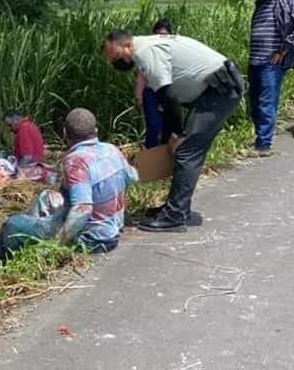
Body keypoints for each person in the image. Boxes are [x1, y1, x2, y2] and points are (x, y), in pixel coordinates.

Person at [102, 29, 244, 232]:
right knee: (185, 148)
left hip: (219, 89)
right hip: (214, 89)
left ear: (127, 45)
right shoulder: (144, 48)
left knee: (187, 151)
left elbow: (169, 98)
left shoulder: (144, 52)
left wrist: (177, 135)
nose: (116, 62)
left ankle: (175, 216)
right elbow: (165, 100)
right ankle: (177, 209)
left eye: (116, 56)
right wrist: (170, 136)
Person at [58, 108, 138, 253]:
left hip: (93, 238)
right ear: (95, 130)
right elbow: (133, 177)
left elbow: (83, 209)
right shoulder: (112, 149)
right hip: (114, 229)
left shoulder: (76, 160)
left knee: (15, 224)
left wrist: (58, 242)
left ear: (65, 133)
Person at [248, 0, 294, 154]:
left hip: (271, 62)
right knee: (256, 102)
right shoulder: (261, 3)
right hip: (255, 60)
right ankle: (261, 138)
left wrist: (283, 49)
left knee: (267, 101)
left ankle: (264, 144)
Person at [135, 18, 173, 148]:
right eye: (158, 34)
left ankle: (164, 156)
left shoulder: (174, 51)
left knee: (167, 125)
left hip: (168, 93)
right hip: (151, 93)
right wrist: (139, 96)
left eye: (164, 35)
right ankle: (150, 154)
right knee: (154, 125)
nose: (160, 37)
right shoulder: (148, 51)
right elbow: (141, 75)